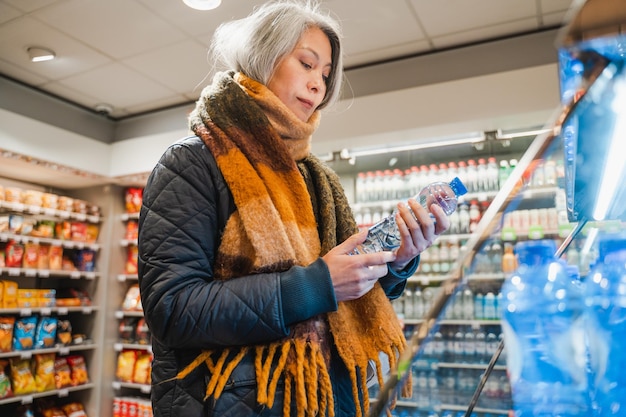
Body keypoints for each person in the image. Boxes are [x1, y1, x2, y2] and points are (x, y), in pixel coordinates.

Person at [137, 1, 450, 416]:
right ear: (263, 57)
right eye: (306, 63)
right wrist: (316, 285)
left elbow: (346, 296)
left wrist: (395, 261)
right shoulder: (192, 164)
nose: (320, 85)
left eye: (325, 75)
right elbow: (173, 309)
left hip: (323, 399)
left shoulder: (318, 181)